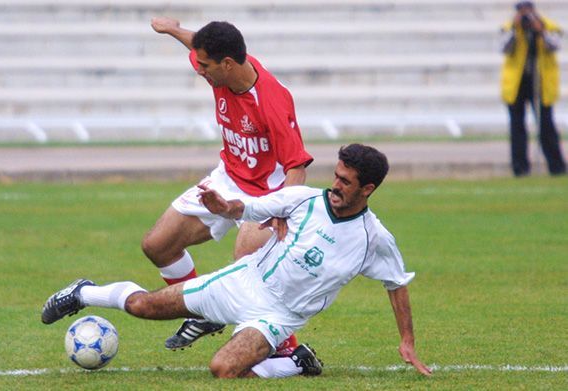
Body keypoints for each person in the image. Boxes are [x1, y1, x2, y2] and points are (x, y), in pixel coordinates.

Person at [41, 144, 432, 379]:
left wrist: (408, 341)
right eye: (336, 175)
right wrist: (222, 205)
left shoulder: (373, 239)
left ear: (368, 189)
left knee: (224, 369)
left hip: (277, 318)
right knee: (145, 306)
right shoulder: (304, 200)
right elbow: (246, 206)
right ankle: (84, 292)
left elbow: (396, 283)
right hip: (241, 283)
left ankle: (296, 360)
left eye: (346, 182)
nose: (336, 185)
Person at [141, 17, 313, 351]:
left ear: (227, 64)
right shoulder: (220, 70)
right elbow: (196, 44)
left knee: (245, 273)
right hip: (227, 180)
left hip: (267, 195)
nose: (199, 70)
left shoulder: (272, 100)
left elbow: (297, 165)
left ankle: (289, 350)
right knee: (158, 245)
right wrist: (172, 29)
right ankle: (202, 311)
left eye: (205, 65)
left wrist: (281, 210)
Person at [500, 1, 566, 176]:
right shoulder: (509, 27)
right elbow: (504, 48)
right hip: (516, 84)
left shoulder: (547, 26)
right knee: (517, 127)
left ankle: (556, 166)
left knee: (546, 125)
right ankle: (520, 168)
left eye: (527, 10)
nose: (525, 15)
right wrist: (515, 29)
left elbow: (556, 45)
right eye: (521, 11)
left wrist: (541, 31)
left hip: (541, 82)